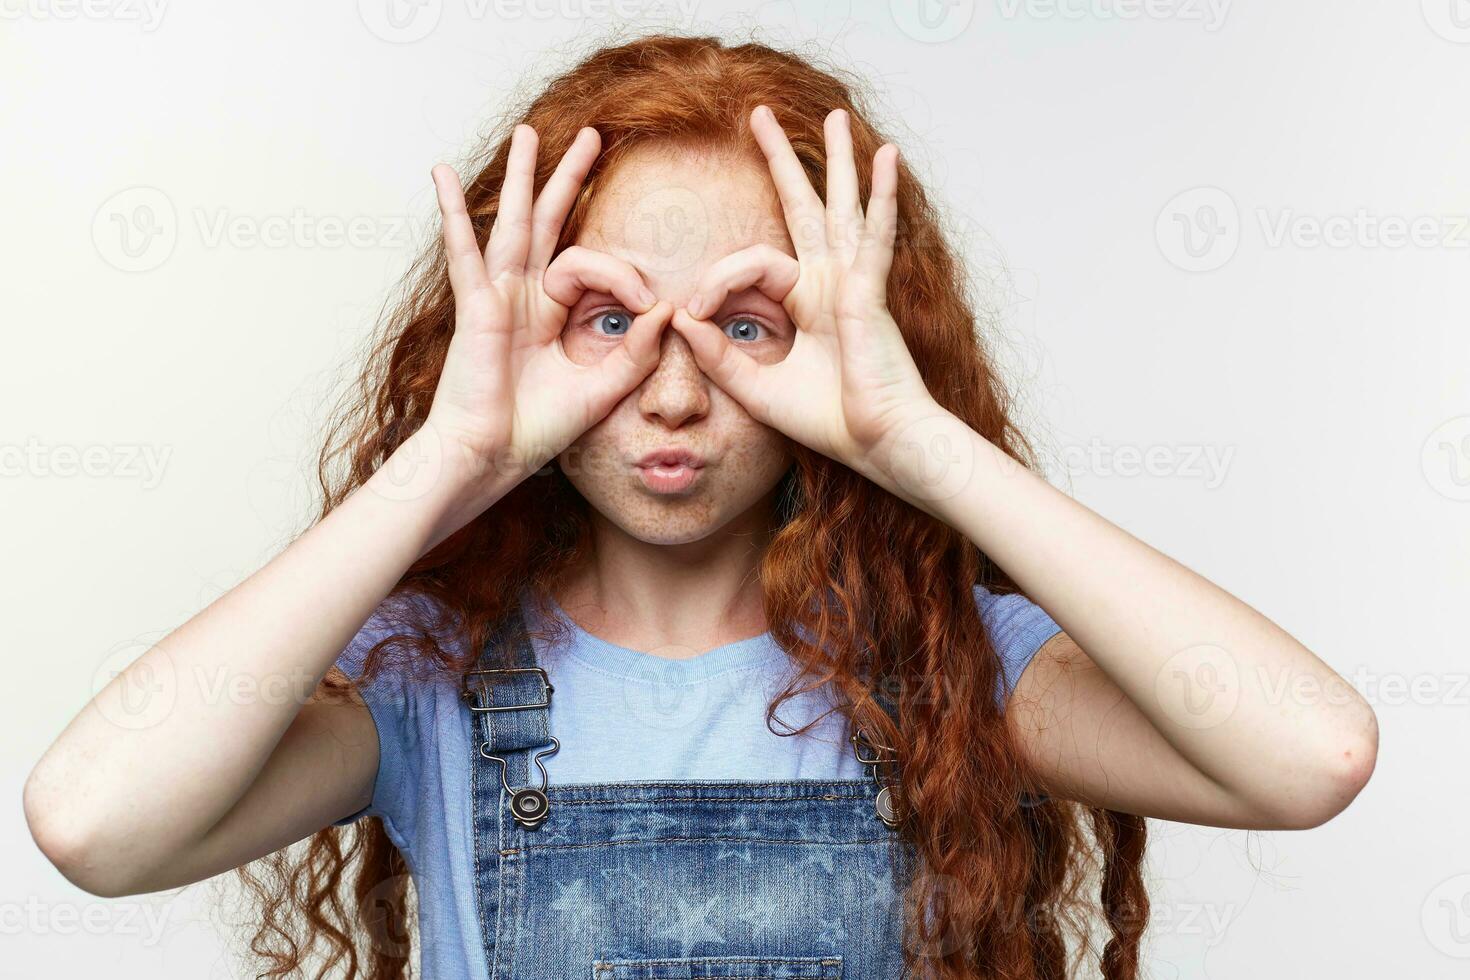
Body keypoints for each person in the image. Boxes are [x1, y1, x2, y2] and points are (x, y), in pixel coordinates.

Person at [23, 33, 1379, 980]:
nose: (672, 390)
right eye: (605, 318)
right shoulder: (425, 682)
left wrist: (913, 438)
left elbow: (1307, 754)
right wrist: (450, 460)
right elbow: (93, 823)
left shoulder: (958, 669)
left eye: (748, 323)